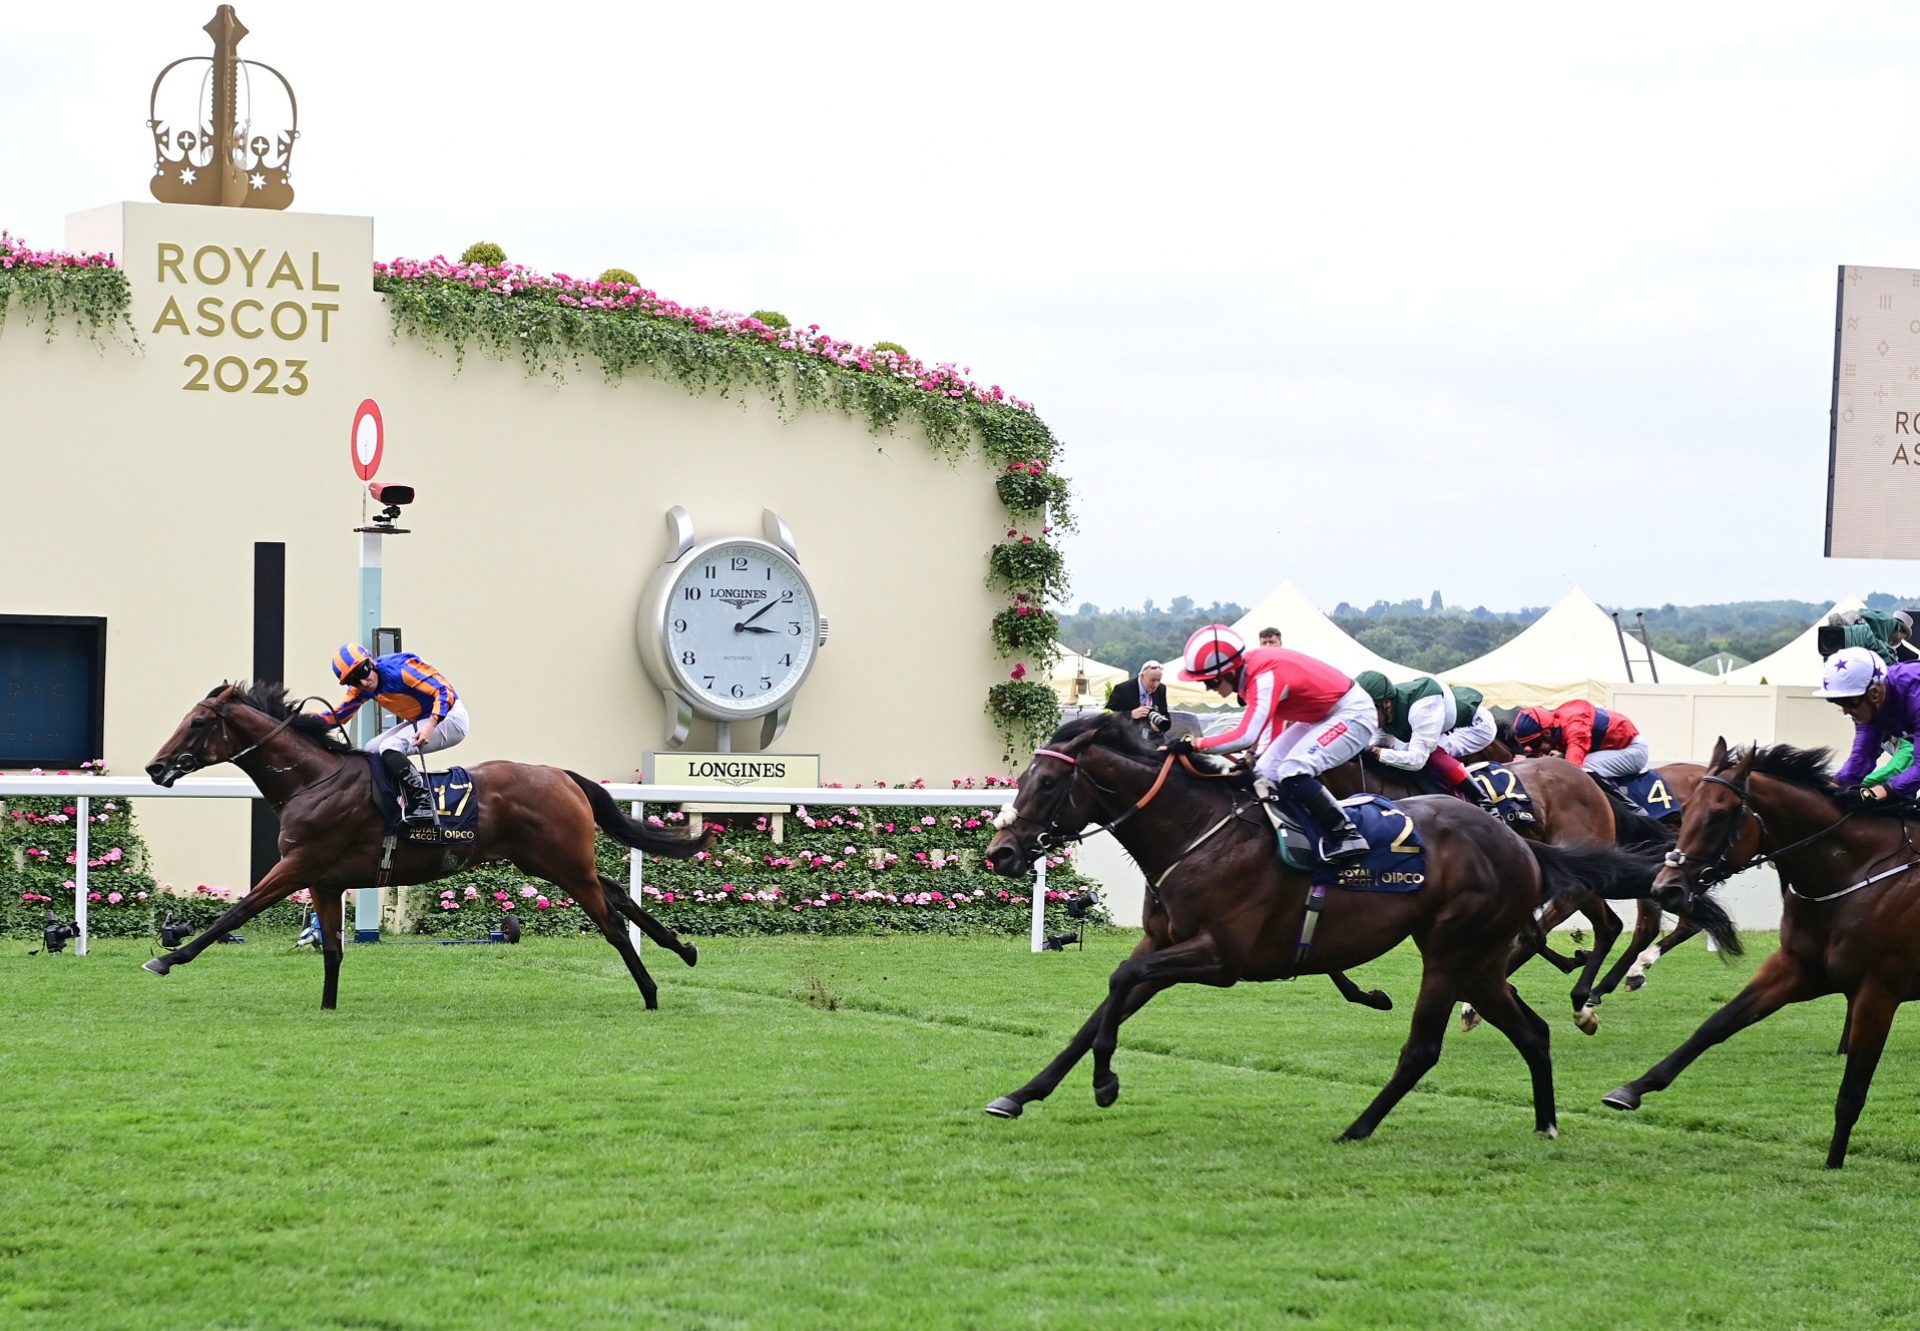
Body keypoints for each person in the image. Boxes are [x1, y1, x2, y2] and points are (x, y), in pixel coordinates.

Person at [1169, 624, 1375, 862]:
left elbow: (1245, 735)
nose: (1207, 688)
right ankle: (1293, 836)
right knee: (1264, 773)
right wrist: (1253, 759)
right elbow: (1273, 723)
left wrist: (1194, 744)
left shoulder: (1264, 677)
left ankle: (1347, 835)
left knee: (1293, 770)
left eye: (1210, 682)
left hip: (1352, 713)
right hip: (1321, 716)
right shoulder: (1248, 676)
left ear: (1228, 671)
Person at [316, 643, 469, 824]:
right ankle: (394, 800)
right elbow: (338, 715)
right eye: (354, 680)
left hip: (450, 717)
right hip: (420, 719)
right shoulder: (362, 689)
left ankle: (423, 802)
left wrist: (431, 725)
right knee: (372, 749)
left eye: (363, 672)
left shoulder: (401, 669)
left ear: (371, 662)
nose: (363, 682)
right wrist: (297, 722)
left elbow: (444, 690)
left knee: (390, 746)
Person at [1351, 671, 1500, 811]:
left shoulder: (1422, 707)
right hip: (1445, 726)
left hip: (1476, 726)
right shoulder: (1385, 711)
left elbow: (1417, 760)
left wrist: (1379, 753)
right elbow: (1380, 744)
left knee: (1433, 753)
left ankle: (1485, 803)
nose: (1366, 718)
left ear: (1386, 704)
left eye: (1369, 711)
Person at [1815, 646, 1920, 802]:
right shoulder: (1870, 704)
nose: (1845, 711)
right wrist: (1835, 785)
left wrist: (1883, 790)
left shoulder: (1914, 692)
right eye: (1837, 702)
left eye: (1847, 701)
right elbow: (1862, 756)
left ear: (1875, 693)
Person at [1509, 698, 1650, 787]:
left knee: (1583, 769)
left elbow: (1572, 771)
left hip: (1632, 750)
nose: (1535, 751)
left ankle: (1630, 812)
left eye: (1534, 745)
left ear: (1547, 733)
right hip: (1608, 749)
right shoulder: (1555, 725)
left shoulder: (1576, 729)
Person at [1106, 660, 1170, 735]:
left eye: (1158, 680)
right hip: (1127, 737)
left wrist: (1159, 727)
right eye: (1152, 680)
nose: (1156, 684)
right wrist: (1130, 715)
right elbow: (1107, 715)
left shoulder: (1161, 688)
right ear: (1142, 676)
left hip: (1152, 740)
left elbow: (1165, 715)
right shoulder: (1123, 689)